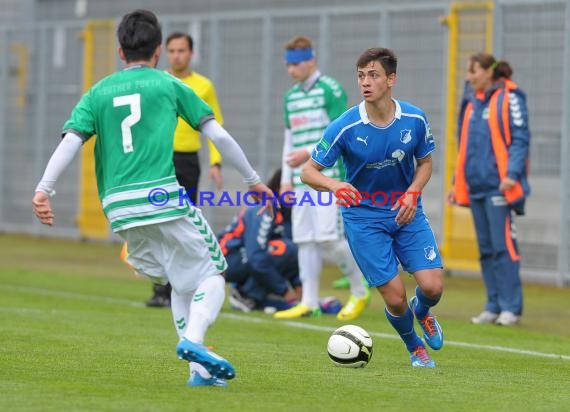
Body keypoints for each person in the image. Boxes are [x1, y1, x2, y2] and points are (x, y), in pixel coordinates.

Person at [31, 9, 274, 387]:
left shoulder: (97, 92)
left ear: (119, 51)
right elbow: (219, 136)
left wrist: (43, 189)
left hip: (118, 208)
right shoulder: (169, 85)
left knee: (181, 282)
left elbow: (70, 142)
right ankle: (193, 341)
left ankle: (199, 372)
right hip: (160, 197)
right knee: (214, 272)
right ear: (158, 51)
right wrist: (253, 180)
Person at [301, 47, 444, 368]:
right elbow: (308, 171)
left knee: (433, 288)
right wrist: (335, 185)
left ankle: (422, 311)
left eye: (373, 75)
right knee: (395, 298)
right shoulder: (345, 126)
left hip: (406, 212)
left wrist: (413, 192)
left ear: (391, 79)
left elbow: (426, 163)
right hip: (364, 219)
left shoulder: (415, 118)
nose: (365, 82)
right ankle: (414, 348)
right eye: (361, 75)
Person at [274, 35, 369, 321]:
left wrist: (308, 153)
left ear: (311, 60)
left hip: (327, 176)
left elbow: (341, 131)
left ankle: (359, 290)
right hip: (301, 179)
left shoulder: (330, 89)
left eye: (298, 63)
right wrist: (285, 179)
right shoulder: (290, 97)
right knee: (305, 240)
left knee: (329, 239)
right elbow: (288, 137)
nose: (292, 70)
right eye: (289, 65)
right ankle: (310, 301)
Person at [143, 31, 225, 308]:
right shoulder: (157, 82)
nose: (176, 55)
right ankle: (160, 288)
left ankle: (185, 285)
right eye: (172, 50)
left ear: (191, 53)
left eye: (181, 50)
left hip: (188, 162)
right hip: (159, 161)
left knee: (184, 222)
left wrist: (216, 161)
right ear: (165, 53)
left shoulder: (203, 85)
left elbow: (216, 124)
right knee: (157, 222)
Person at [448, 52, 530, 326]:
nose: (468, 77)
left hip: (500, 187)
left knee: (503, 247)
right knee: (485, 249)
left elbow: (520, 140)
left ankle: (511, 308)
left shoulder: (510, 98)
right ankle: (493, 305)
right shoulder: (471, 103)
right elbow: (464, 146)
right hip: (475, 187)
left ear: (487, 72)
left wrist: (512, 175)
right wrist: (455, 182)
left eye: (473, 71)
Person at [218, 168, 302, 312]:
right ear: (278, 187)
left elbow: (293, 261)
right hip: (224, 261)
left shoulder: (290, 217)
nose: (297, 194)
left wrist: (302, 296)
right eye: (292, 187)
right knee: (284, 248)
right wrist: (285, 292)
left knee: (292, 248)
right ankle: (246, 294)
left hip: (242, 258)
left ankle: (250, 292)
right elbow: (256, 257)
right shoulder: (265, 210)